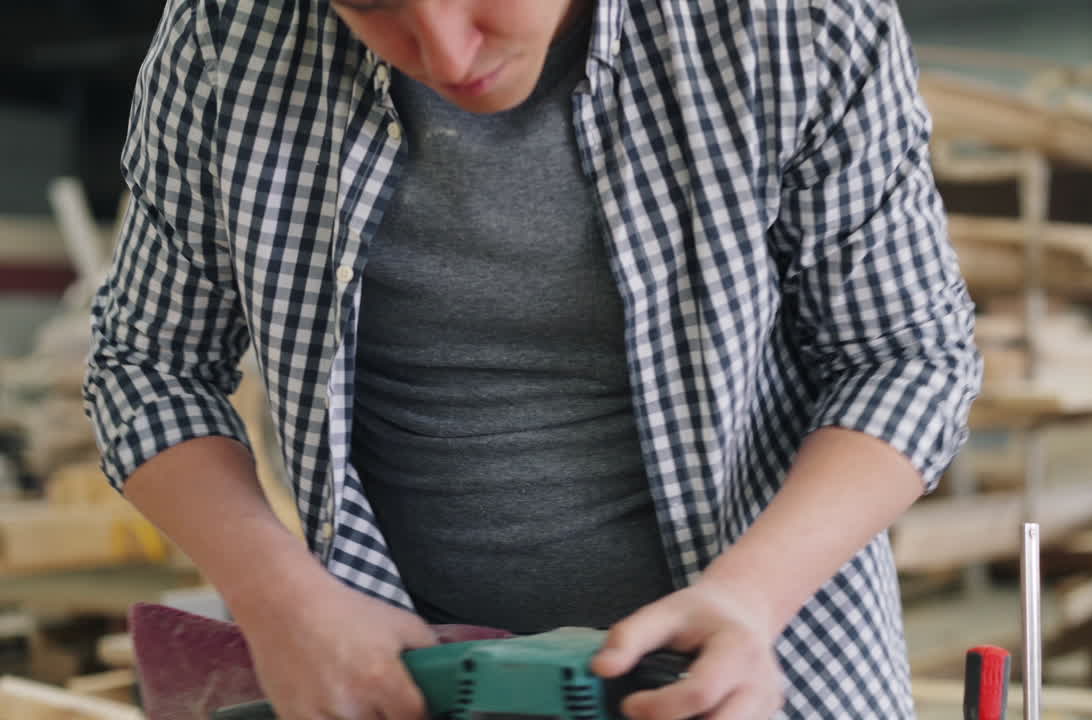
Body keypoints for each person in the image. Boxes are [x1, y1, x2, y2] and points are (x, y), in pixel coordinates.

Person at [83, 0, 982, 717]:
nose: (441, 49)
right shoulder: (228, 32)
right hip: (397, 682)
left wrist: (752, 598)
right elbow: (147, 365)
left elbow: (909, 357)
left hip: (760, 668)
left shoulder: (789, 20)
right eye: (372, 7)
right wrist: (278, 597)